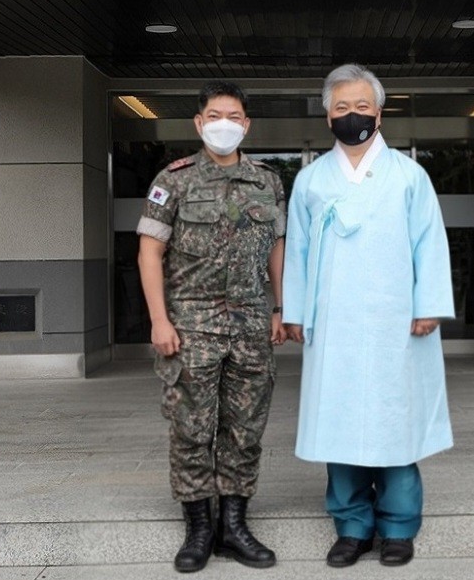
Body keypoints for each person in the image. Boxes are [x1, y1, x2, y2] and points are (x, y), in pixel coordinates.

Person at [282, 64, 455, 568]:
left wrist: (429, 304)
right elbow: (298, 252)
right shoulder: (312, 180)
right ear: (327, 116)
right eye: (341, 107)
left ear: (379, 114)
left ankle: (398, 526)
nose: (351, 115)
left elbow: (429, 243)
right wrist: (295, 312)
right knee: (339, 422)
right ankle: (352, 526)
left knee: (394, 421)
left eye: (361, 106)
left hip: (395, 323)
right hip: (333, 325)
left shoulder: (409, 176)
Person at [137, 81, 287, 572]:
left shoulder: (267, 182)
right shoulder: (173, 180)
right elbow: (149, 253)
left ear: (247, 125)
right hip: (191, 327)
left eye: (235, 116)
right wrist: (159, 320)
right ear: (200, 123)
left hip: (250, 326)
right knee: (191, 428)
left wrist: (281, 308)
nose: (225, 124)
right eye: (215, 115)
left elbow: (277, 249)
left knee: (245, 429)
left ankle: (234, 527)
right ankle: (199, 529)